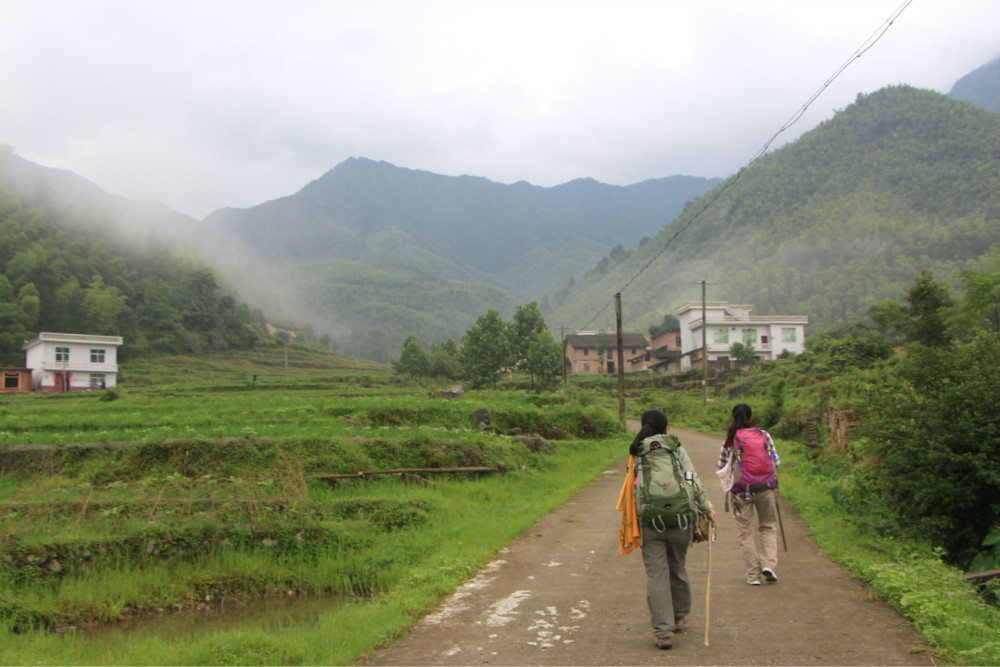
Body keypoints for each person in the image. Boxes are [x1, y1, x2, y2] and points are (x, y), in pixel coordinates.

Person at [629, 409, 714, 650]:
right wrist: (706, 507)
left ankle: (662, 633)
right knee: (677, 564)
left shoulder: (637, 451)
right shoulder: (676, 448)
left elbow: (631, 489)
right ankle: (680, 615)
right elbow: (691, 478)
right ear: (667, 429)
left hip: (650, 522)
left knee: (657, 574)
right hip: (680, 521)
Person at [717, 403, 781, 586]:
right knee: (768, 527)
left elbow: (720, 467)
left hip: (740, 493)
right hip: (766, 488)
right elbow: (776, 461)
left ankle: (753, 575)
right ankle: (769, 565)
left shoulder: (730, 440)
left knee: (746, 532)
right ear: (751, 417)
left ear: (733, 418)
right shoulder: (764, 435)